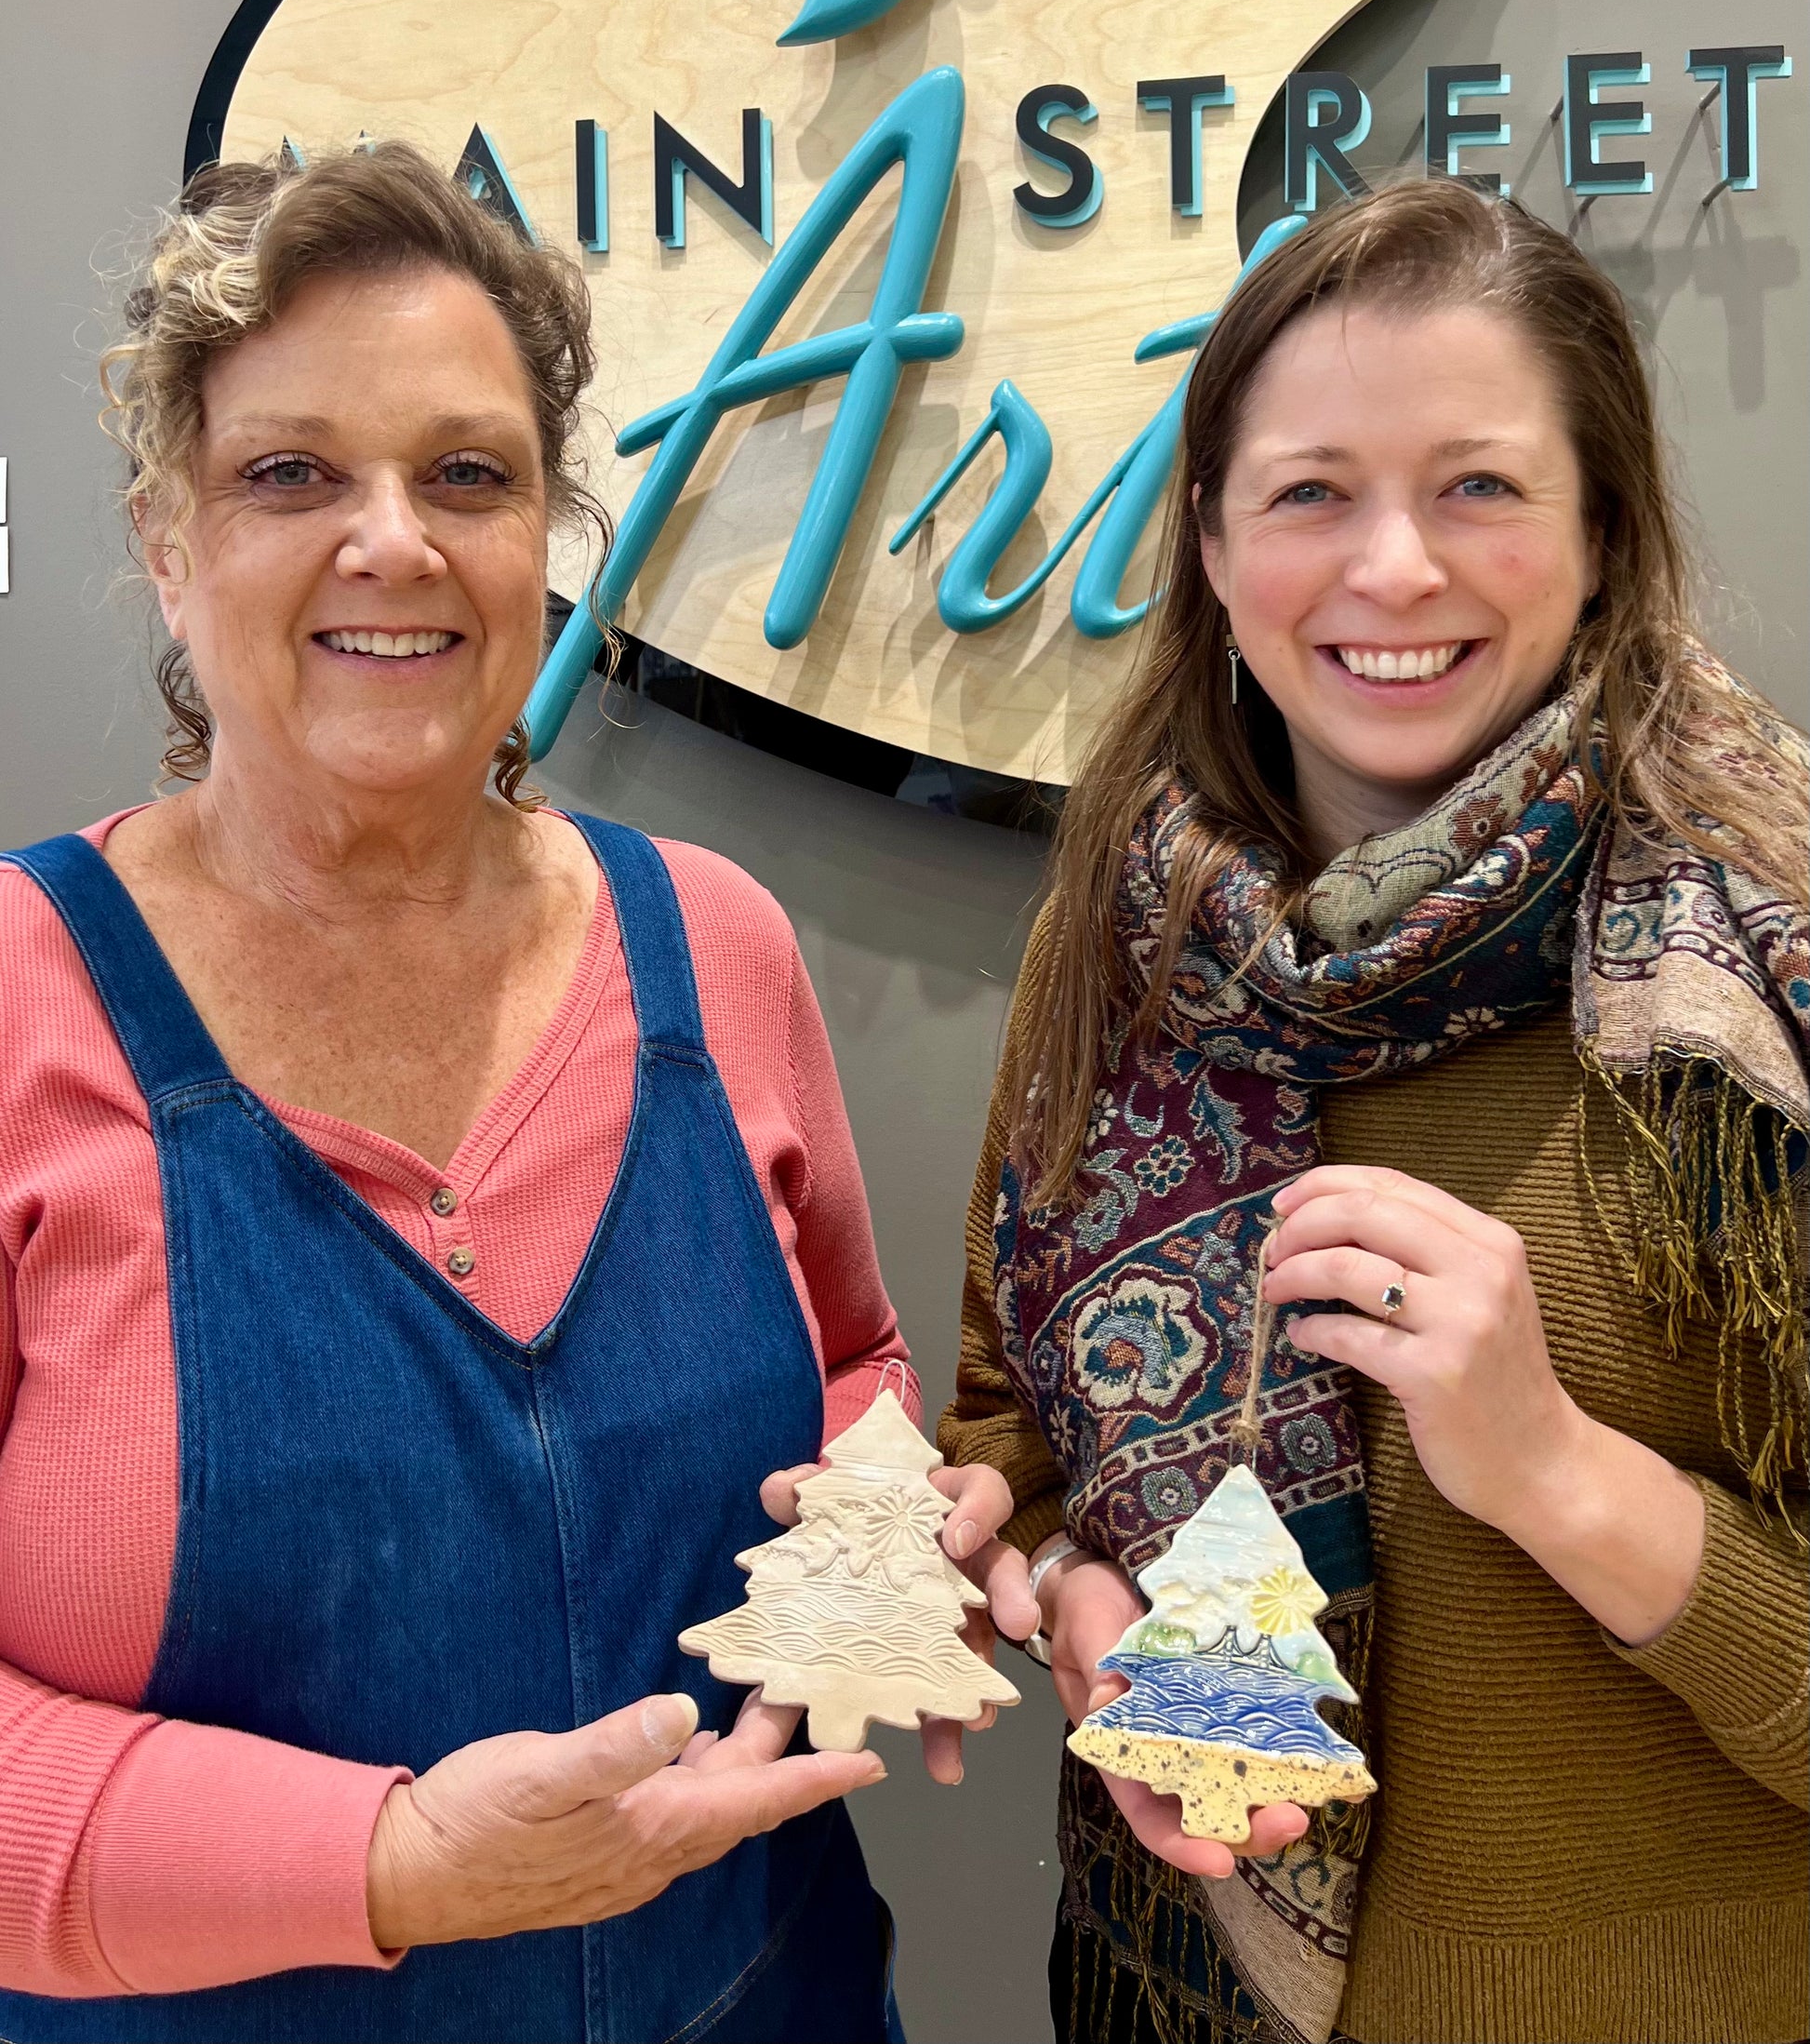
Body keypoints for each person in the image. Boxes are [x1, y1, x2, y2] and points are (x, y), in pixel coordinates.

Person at [0, 142, 1025, 2043]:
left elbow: (858, 1373)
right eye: (289, 472)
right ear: (166, 536)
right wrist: (389, 1862)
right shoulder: (20, 1004)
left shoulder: (711, 946)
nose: (392, 539)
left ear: (547, 534)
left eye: (467, 473)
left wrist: (895, 1558)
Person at [939, 180, 1808, 2044]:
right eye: (1312, 490)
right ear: (1209, 538)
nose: (1392, 570)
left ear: (1600, 527)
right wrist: (1081, 1601)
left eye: (1478, 486)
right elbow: (1013, 1433)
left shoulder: (1769, 956)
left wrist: (1558, 1473)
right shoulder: (1109, 958)